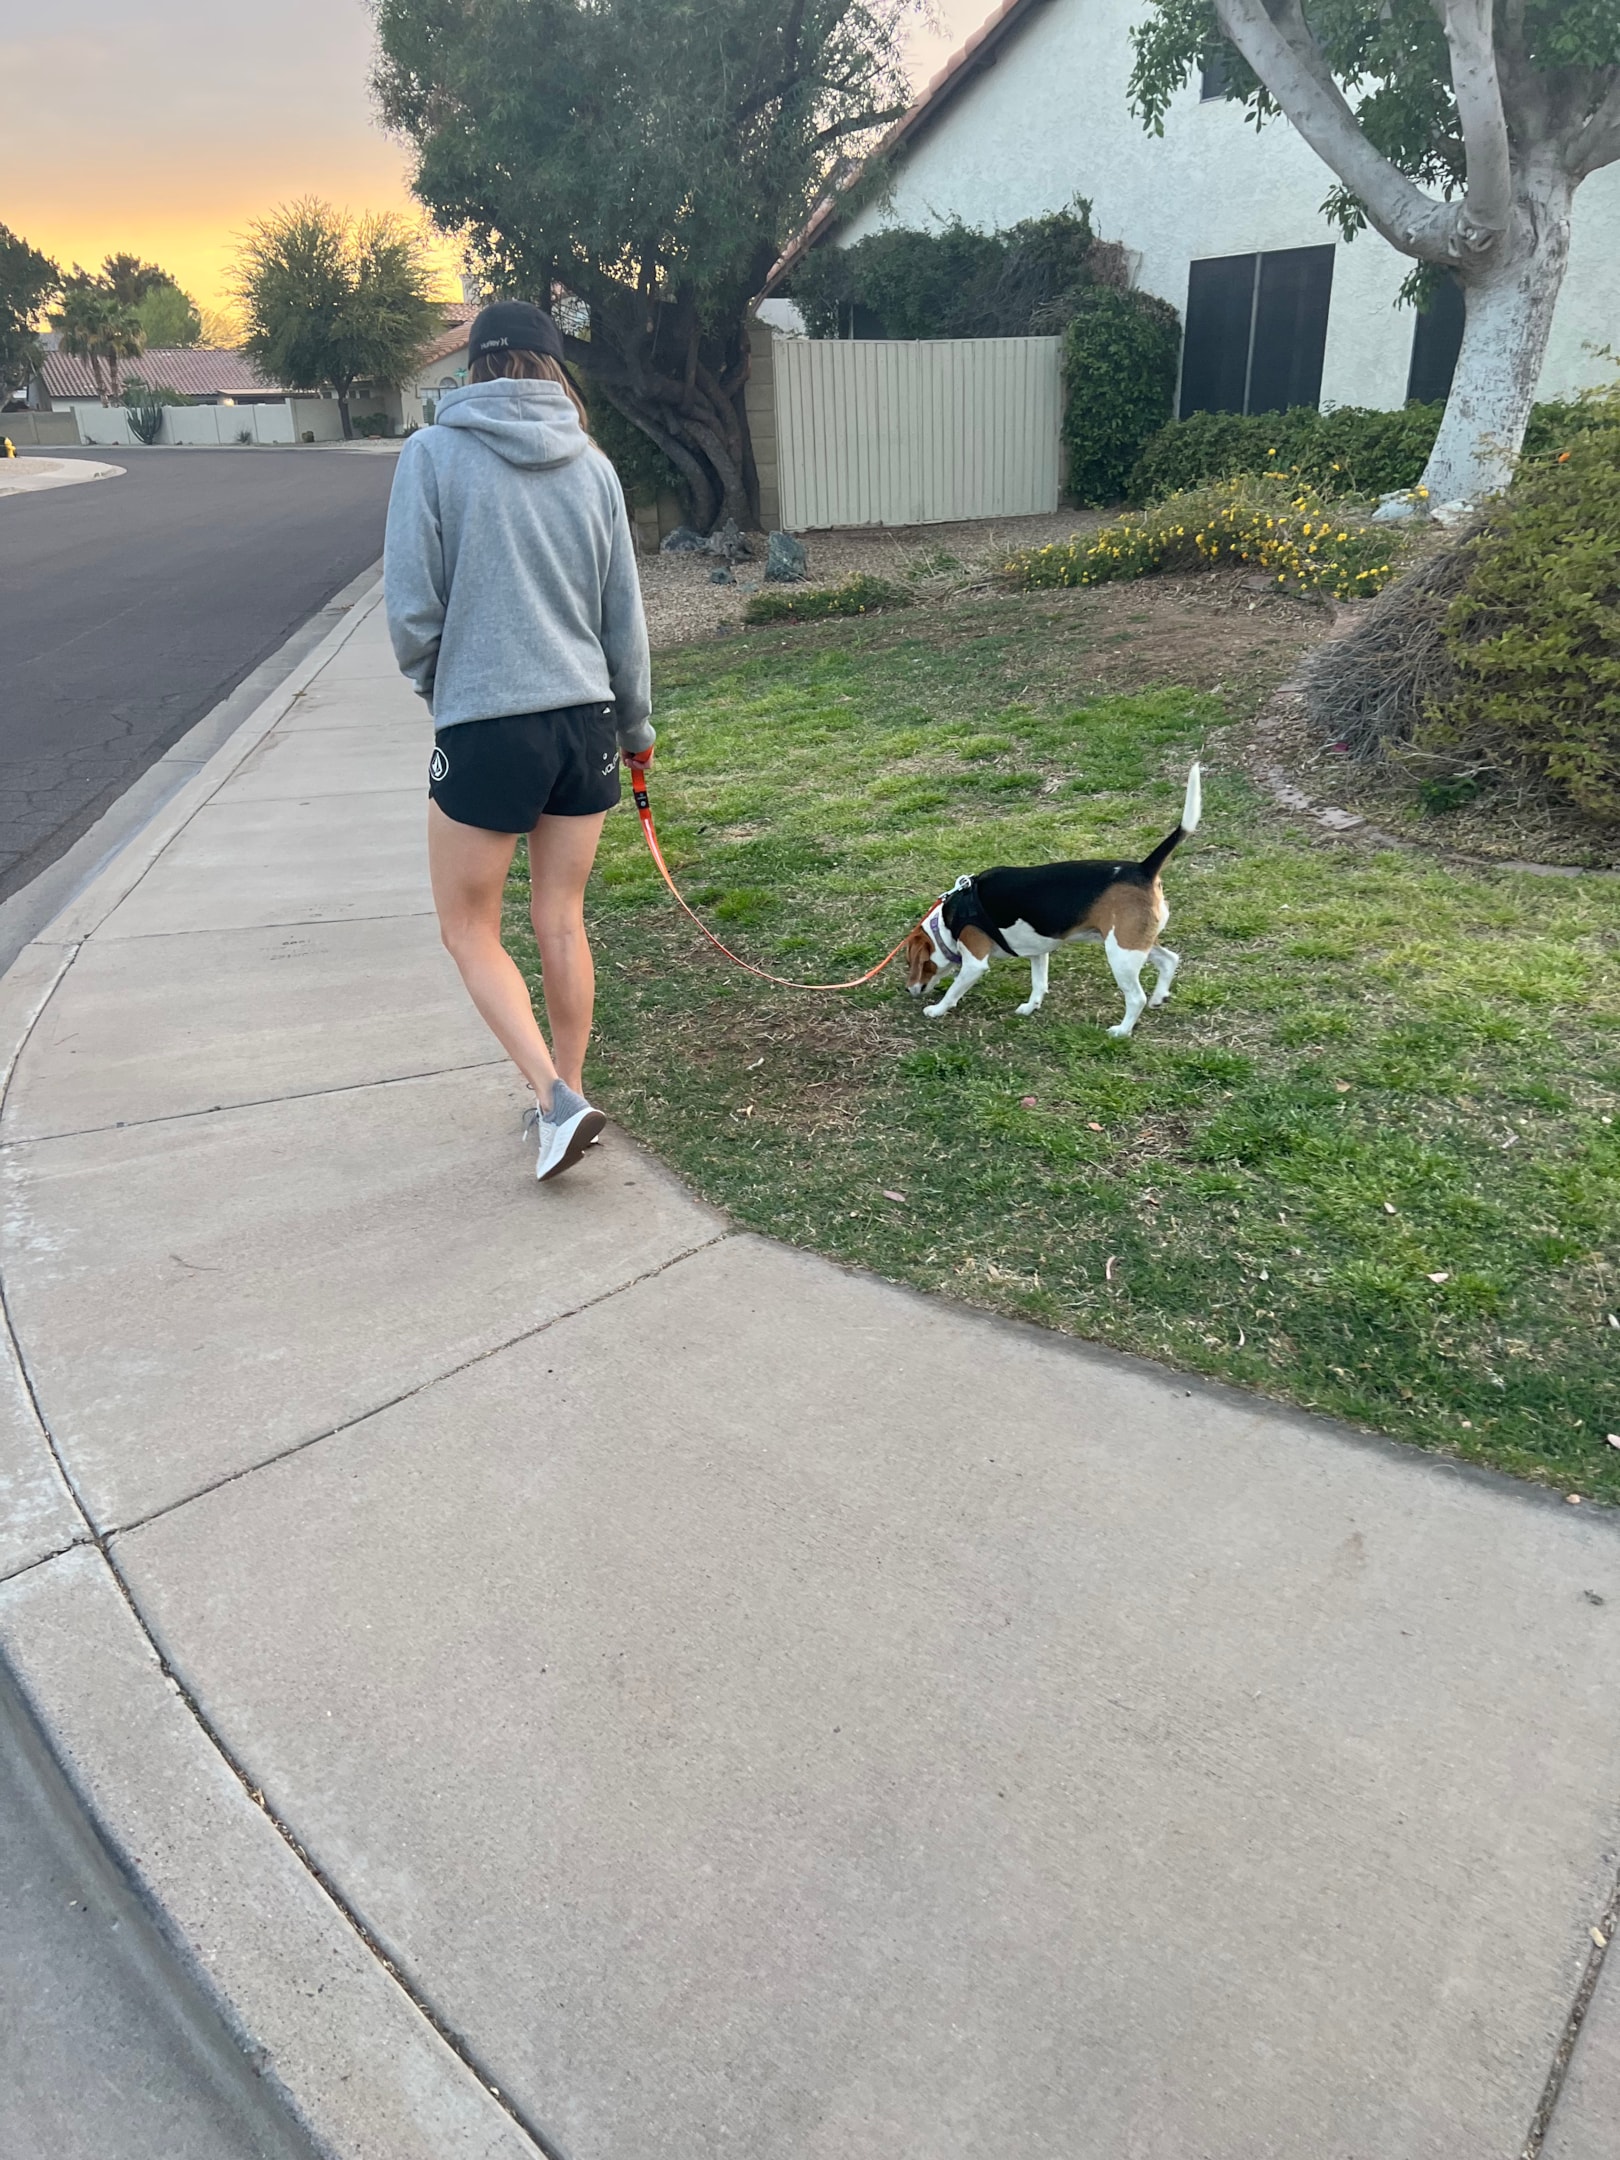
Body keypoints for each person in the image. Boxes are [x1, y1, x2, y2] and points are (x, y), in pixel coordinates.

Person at [383, 300, 654, 1182]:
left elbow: (413, 613)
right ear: (554, 368)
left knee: (468, 927)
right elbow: (625, 623)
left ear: (475, 364)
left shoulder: (431, 454)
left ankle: (555, 1099)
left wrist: (444, 686)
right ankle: (564, 1095)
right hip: (585, 724)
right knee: (561, 917)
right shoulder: (596, 470)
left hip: (488, 722)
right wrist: (637, 728)